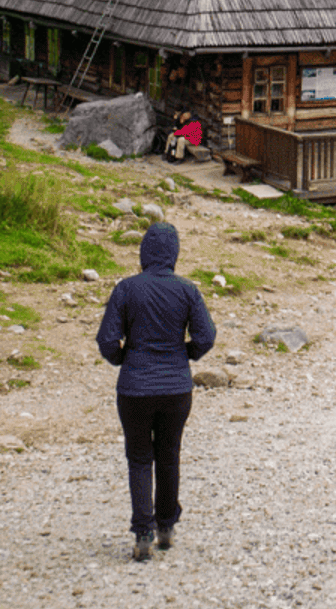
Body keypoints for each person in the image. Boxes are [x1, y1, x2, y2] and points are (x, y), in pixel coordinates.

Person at [95, 223, 217, 561]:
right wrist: (185, 355)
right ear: (174, 253)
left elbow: (107, 339)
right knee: (169, 454)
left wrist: (122, 359)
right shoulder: (188, 290)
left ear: (144, 252)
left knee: (138, 458)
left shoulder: (126, 289)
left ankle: (143, 532)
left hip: (135, 387)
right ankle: (166, 526)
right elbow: (206, 336)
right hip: (176, 387)